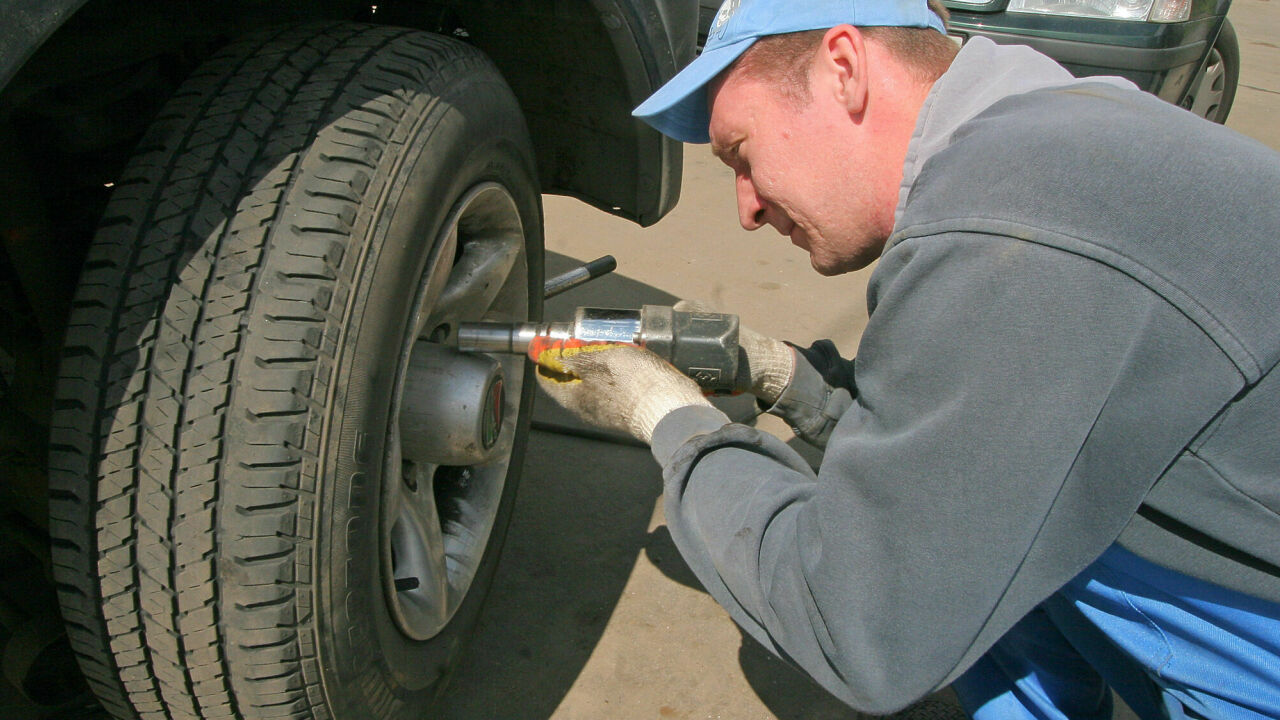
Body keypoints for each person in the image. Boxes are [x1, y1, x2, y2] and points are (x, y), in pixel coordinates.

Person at [531, 0, 1280, 716]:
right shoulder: (1044, 133)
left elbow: (856, 630)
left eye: (742, 153)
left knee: (923, 569)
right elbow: (958, 447)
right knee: (971, 509)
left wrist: (672, 422)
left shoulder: (1005, 228)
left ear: (844, 68)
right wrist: (788, 380)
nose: (746, 208)